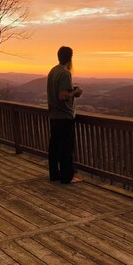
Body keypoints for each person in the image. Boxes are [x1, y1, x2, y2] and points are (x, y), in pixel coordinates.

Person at [47, 46, 83, 184]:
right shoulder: (65, 73)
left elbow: (58, 92)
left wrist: (70, 91)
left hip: (54, 115)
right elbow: (63, 96)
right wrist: (76, 92)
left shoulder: (53, 71)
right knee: (66, 148)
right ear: (70, 58)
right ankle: (67, 177)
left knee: (54, 147)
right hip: (65, 116)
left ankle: (54, 174)